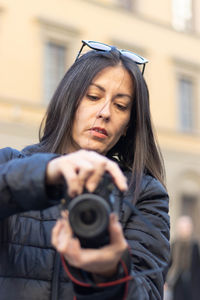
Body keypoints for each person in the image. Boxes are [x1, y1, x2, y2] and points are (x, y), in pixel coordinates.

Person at [0, 40, 170, 300]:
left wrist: (109, 275)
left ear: (128, 125)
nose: (104, 112)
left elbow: (147, 293)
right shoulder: (12, 164)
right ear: (70, 99)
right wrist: (43, 175)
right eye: (93, 96)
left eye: (121, 106)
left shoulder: (143, 193)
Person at [165, 216, 200, 300]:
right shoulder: (174, 245)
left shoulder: (195, 246)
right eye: (182, 228)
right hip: (178, 282)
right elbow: (169, 264)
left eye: (186, 228)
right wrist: (165, 280)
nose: (184, 230)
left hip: (193, 283)